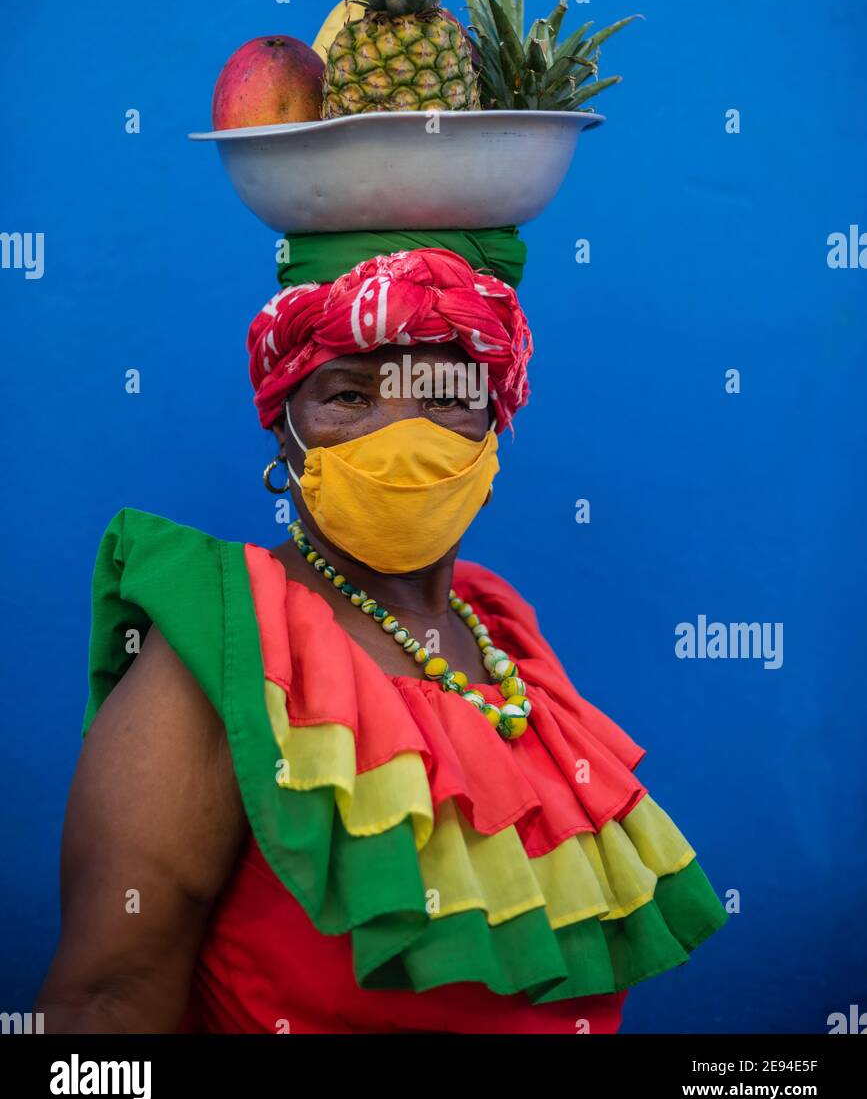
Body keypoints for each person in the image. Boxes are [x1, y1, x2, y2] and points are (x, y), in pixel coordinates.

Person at [35, 237, 727, 1034]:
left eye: (442, 394)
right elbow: (103, 1004)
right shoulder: (227, 647)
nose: (399, 436)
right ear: (282, 434)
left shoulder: (502, 638)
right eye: (350, 397)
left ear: (493, 422)